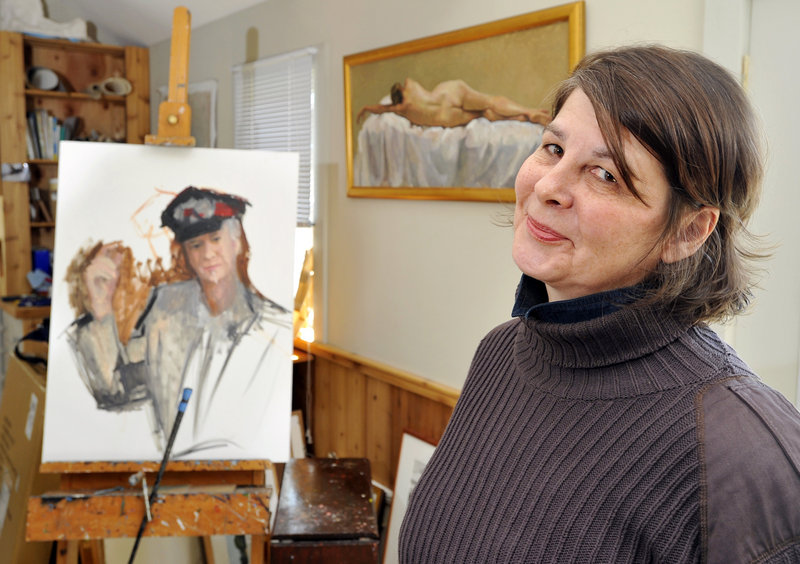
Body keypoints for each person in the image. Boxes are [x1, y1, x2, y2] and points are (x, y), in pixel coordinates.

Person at [399, 45, 800, 563]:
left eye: (605, 175)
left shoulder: (742, 446)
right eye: (552, 149)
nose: (548, 186)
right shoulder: (500, 353)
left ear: (688, 230)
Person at [66, 186, 292, 455]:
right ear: (185, 253)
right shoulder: (164, 311)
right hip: (170, 478)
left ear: (237, 242)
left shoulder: (275, 328)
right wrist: (101, 310)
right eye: (196, 245)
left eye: (215, 238)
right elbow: (115, 391)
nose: (207, 254)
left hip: (238, 478)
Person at [357, 77, 551, 128]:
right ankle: (529, 111)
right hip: (447, 95)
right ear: (401, 89)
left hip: (445, 117)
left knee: (485, 113)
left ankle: (525, 117)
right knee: (489, 102)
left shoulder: (401, 109)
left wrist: (366, 107)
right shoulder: (408, 84)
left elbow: (381, 109)